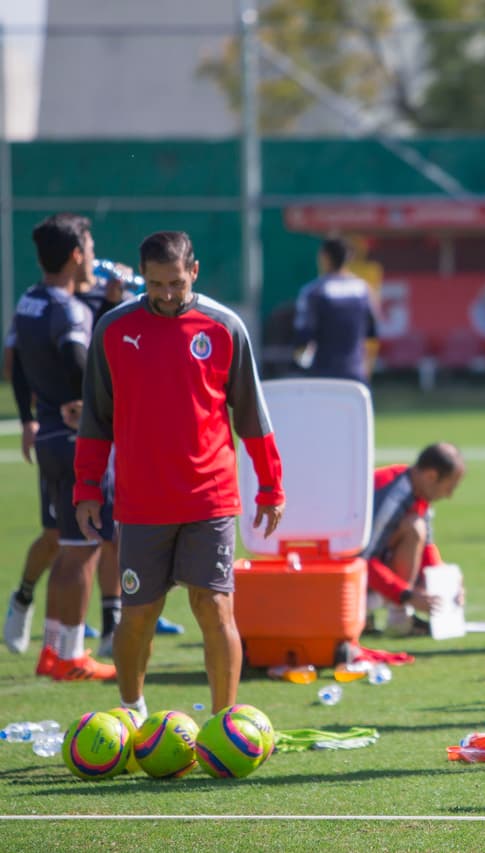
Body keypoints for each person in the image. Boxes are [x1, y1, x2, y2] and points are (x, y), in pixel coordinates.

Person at [74, 230, 285, 717]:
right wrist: (86, 486)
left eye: (174, 282)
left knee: (214, 607)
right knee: (139, 615)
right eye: (154, 284)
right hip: (141, 502)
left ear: (193, 271)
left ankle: (223, 722)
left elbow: (252, 415)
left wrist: (271, 486)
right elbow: (95, 419)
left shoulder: (224, 326)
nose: (166, 293)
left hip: (209, 496)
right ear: (141, 277)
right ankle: (132, 710)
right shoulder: (112, 329)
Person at [3, 214, 115, 680]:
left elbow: (14, 362)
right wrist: (88, 400)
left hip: (49, 436)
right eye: (88, 247)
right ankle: (68, 654)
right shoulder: (69, 309)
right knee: (82, 548)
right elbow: (75, 357)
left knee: (67, 544)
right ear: (75, 255)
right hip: (75, 441)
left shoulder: (30, 300)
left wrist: (32, 416)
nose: (93, 254)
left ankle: (56, 650)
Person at [361, 443, 466, 637]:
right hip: (340, 579)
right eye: (449, 486)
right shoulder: (393, 497)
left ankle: (388, 616)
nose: (449, 495)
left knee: (416, 527)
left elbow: (427, 547)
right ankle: (387, 616)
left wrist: (446, 585)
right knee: (414, 528)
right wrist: (406, 595)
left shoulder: (414, 488)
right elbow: (362, 560)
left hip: (366, 569)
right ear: (431, 476)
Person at [292, 237, 381, 383]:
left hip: (324, 375)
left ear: (325, 257)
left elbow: (303, 337)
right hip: (356, 374)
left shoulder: (314, 292)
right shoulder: (363, 290)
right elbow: (372, 333)